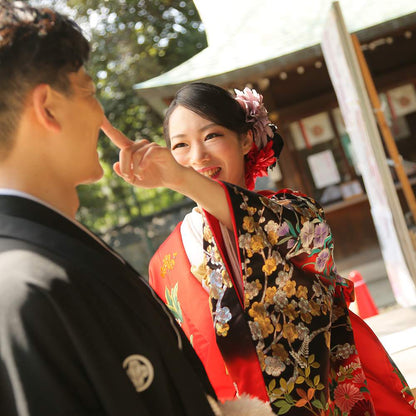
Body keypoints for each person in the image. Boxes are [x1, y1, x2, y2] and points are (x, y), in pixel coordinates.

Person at [107, 81, 416, 415]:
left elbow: (273, 232)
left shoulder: (297, 213)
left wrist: (181, 178)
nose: (197, 157)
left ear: (245, 139)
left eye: (211, 136)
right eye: (180, 145)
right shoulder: (164, 262)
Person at [0, 3, 236, 415]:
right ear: (48, 108)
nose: (102, 116)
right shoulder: (24, 288)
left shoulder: (46, 258)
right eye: (90, 93)